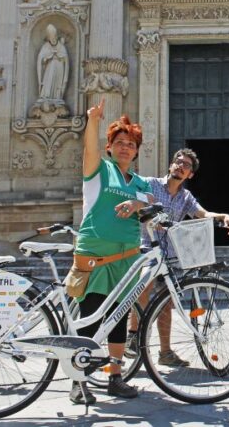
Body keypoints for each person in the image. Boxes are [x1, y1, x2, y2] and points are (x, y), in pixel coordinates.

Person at [71, 98, 151, 405]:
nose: (125, 148)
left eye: (130, 144)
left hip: (127, 258)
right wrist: (93, 120)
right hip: (95, 255)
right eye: (119, 142)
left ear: (136, 150)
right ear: (109, 147)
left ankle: (115, 377)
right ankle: (78, 381)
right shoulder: (99, 170)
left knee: (118, 316)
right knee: (90, 317)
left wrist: (137, 204)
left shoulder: (139, 181)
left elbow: (149, 205)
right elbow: (89, 150)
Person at [124, 148, 229, 365]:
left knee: (167, 303)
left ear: (190, 174)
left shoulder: (185, 197)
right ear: (170, 165)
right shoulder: (151, 184)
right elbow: (137, 206)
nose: (180, 165)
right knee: (143, 288)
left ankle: (165, 353)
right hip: (148, 248)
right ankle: (132, 335)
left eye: (186, 165)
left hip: (171, 256)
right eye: (177, 161)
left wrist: (223, 215)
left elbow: (202, 214)